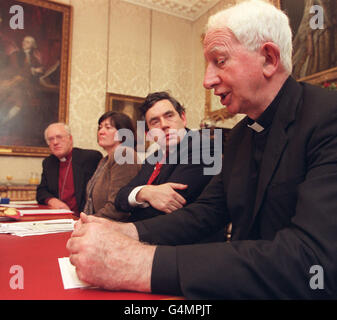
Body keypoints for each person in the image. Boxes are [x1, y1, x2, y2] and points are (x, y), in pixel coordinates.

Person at [66, 0, 337, 299]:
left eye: (219, 61)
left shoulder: (328, 118)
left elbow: (315, 261)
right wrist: (126, 232)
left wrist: (139, 263)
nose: (207, 81)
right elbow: (207, 212)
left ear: (269, 58)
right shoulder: (239, 135)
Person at [114, 91, 218, 222]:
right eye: (155, 122)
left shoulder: (203, 147)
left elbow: (169, 205)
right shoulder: (152, 158)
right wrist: (145, 192)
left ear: (183, 118)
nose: (164, 125)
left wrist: (137, 198)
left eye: (169, 116)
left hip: (186, 238)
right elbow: (120, 199)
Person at [83, 111, 141, 220]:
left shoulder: (124, 154)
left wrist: (89, 221)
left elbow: (119, 207)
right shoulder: (104, 160)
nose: (101, 132)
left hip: (117, 228)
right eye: (100, 128)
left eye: (108, 127)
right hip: (101, 223)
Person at [36, 122, 102, 215]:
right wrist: (52, 200)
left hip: (83, 218)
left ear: (70, 139)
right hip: (59, 217)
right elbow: (41, 191)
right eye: (51, 139)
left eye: (59, 137)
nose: (55, 142)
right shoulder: (49, 162)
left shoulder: (90, 158)